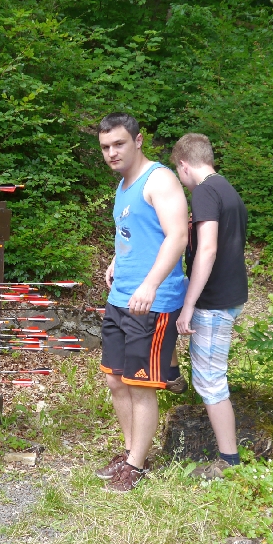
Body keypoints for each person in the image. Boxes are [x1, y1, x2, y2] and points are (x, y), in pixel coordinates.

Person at [95, 112, 189, 492]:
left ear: (138, 140)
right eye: (105, 147)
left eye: (118, 143)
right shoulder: (124, 185)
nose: (112, 153)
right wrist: (116, 260)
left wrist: (150, 285)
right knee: (115, 380)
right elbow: (133, 232)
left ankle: (136, 465)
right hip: (121, 297)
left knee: (140, 384)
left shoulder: (159, 179)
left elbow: (177, 235)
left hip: (152, 301)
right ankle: (131, 449)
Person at [171, 133, 248, 478]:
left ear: (184, 165)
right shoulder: (227, 189)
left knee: (210, 381)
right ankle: (170, 375)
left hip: (214, 300)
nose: (181, 179)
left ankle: (229, 461)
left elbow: (208, 249)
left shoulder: (204, 191)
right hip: (230, 294)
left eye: (178, 172)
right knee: (209, 376)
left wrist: (189, 304)